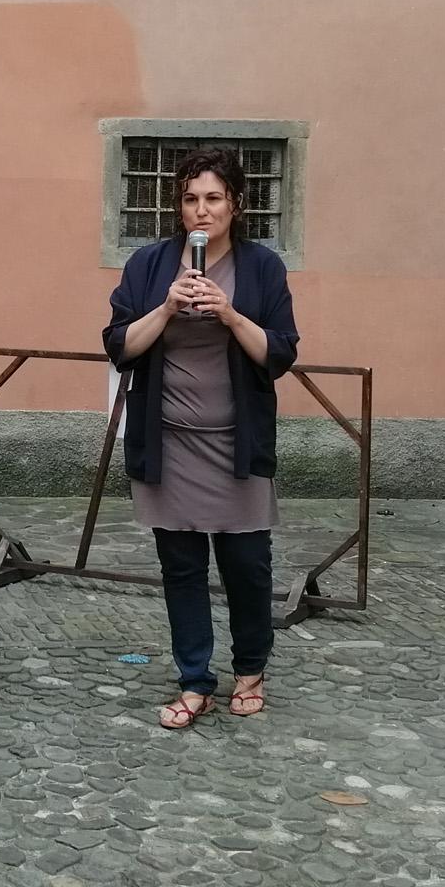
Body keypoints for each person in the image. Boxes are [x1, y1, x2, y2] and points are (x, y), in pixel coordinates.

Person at [103, 147, 299, 729]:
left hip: (238, 445)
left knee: (247, 565)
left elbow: (280, 354)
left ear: (235, 204)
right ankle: (195, 680)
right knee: (182, 567)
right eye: (190, 199)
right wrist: (166, 307)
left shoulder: (262, 267)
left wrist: (231, 315)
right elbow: (119, 346)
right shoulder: (149, 265)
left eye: (213, 198)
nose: (201, 210)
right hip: (170, 444)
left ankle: (251, 670)